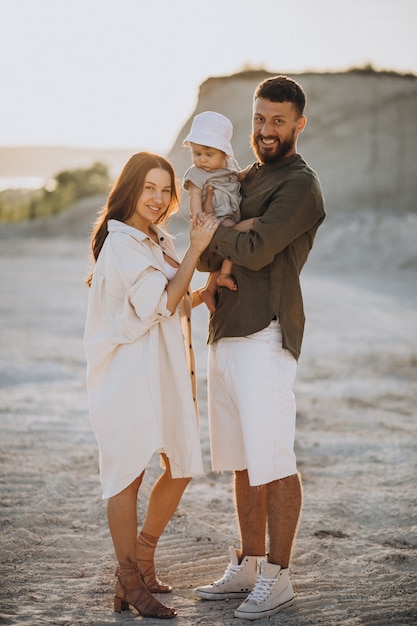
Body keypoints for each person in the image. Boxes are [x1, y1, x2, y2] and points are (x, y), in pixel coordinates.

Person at [193, 76, 326, 620]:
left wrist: (218, 230)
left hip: (266, 332)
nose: (266, 130)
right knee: (243, 461)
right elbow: (206, 256)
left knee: (272, 458)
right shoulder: (242, 176)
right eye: (259, 119)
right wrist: (222, 231)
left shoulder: (300, 184)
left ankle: (279, 575)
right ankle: (248, 563)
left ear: (298, 124)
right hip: (225, 330)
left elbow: (254, 247)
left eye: (277, 121)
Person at [83, 152, 219, 619]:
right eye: (149, 189)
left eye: (166, 190)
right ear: (129, 191)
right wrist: (199, 251)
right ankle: (127, 579)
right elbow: (160, 302)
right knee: (128, 475)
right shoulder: (122, 244)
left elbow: (172, 301)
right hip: (125, 376)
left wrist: (205, 291)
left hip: (161, 372)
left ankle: (142, 559)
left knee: (180, 464)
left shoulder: (156, 238)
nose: (159, 199)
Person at [183, 111, 242, 313]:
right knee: (234, 236)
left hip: (231, 214)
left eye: (209, 154)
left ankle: (209, 288)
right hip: (214, 219)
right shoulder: (196, 173)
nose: (202, 160)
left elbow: (239, 179)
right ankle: (224, 275)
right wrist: (198, 215)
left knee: (235, 236)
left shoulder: (231, 166)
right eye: (197, 154)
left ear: (224, 153)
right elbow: (194, 194)